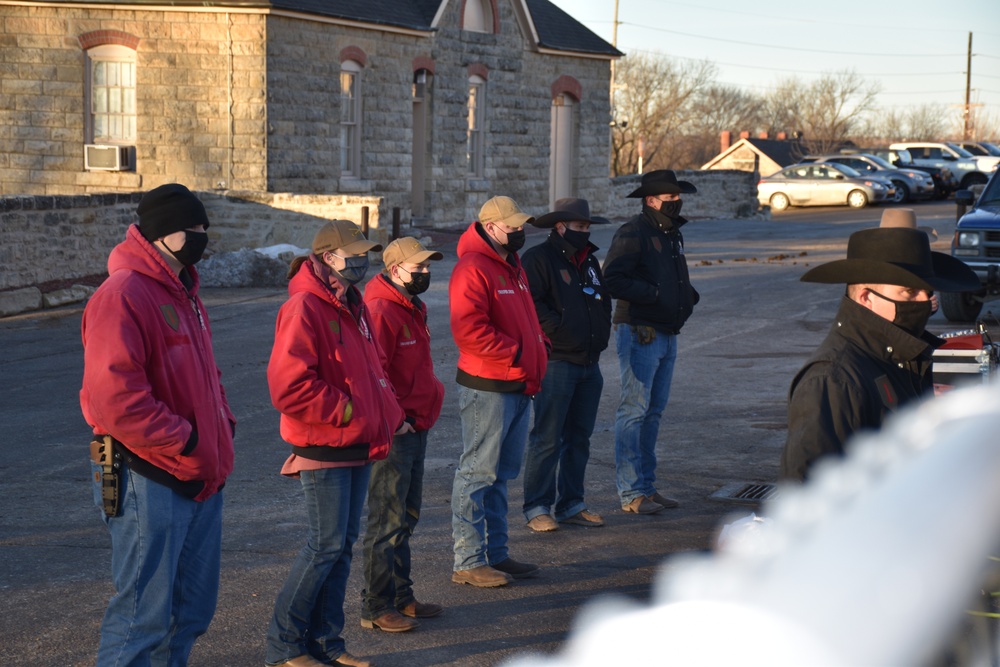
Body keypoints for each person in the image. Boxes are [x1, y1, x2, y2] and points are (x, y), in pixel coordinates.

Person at [80, 183, 236, 665]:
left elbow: (205, 378)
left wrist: (220, 428)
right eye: (192, 228)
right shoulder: (123, 294)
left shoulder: (184, 290)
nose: (201, 236)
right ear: (163, 233)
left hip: (198, 475)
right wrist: (187, 439)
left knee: (190, 612)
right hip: (145, 475)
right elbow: (114, 399)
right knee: (142, 617)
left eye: (204, 227)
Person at [265, 220, 407, 667]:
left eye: (366, 253)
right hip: (325, 446)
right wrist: (348, 412)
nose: (363, 261)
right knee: (324, 546)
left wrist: (389, 414)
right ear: (328, 257)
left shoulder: (351, 303)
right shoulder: (305, 306)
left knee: (340, 548)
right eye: (355, 253)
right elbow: (288, 386)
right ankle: (284, 646)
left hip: (358, 444)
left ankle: (327, 643)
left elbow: (372, 370)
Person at [779, 223, 979, 482]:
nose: (924, 301)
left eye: (927, 291)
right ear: (865, 297)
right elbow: (806, 496)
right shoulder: (834, 379)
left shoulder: (904, 357)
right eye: (909, 291)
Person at [449, 195, 549, 587]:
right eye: (514, 226)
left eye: (522, 225)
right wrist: (521, 351)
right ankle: (468, 560)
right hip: (489, 386)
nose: (521, 232)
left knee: (500, 475)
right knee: (477, 473)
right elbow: (469, 330)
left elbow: (523, 319)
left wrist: (538, 346)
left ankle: (496, 554)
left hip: (518, 381)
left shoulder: (511, 265)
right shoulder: (473, 268)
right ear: (491, 227)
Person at [359, 237, 445, 633]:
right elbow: (374, 374)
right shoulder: (381, 308)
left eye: (428, 268)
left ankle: (401, 595)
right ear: (395, 270)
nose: (426, 274)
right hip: (398, 428)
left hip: (416, 422)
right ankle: (375, 606)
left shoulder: (410, 303)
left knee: (407, 515)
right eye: (419, 268)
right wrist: (395, 419)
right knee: (386, 519)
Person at [603, 170, 699, 515]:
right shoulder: (633, 231)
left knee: (653, 412)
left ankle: (646, 485)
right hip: (640, 331)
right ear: (650, 200)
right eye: (669, 198)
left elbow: (671, 276)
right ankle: (631, 492)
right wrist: (657, 295)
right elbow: (612, 278)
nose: (675, 202)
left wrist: (685, 296)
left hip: (668, 330)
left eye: (677, 197)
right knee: (634, 410)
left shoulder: (671, 233)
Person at [520, 198, 613, 532]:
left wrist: (601, 326)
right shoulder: (538, 259)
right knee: (548, 437)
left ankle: (572, 503)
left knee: (580, 438)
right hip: (557, 361)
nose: (584, 233)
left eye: (587, 227)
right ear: (559, 227)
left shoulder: (589, 260)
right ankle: (537, 507)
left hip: (590, 363)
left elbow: (602, 299)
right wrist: (557, 329)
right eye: (578, 227)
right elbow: (530, 304)